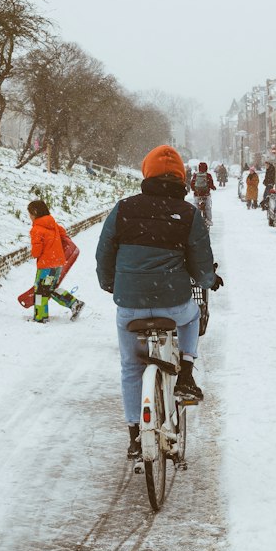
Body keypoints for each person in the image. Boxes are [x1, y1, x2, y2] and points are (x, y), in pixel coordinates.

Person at [96, 144, 222, 459]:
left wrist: (111, 284)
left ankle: (135, 435)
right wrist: (209, 280)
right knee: (192, 316)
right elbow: (201, 262)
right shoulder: (188, 214)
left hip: (130, 305)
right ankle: (186, 374)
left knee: (130, 366)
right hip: (174, 303)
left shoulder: (123, 209)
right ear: (182, 178)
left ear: (146, 174)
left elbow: (104, 253)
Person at [28, 198, 85, 323]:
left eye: (30, 214)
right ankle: (75, 303)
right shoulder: (52, 224)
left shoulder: (36, 229)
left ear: (35, 213)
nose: (30, 217)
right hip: (57, 264)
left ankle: (40, 317)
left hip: (45, 267)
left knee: (40, 292)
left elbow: (36, 251)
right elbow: (63, 233)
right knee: (50, 289)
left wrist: (33, 252)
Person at [190, 161, 217, 226]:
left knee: (196, 208)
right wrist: (213, 188)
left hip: (197, 195)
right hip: (206, 195)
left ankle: (195, 221)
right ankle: (209, 220)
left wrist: (195, 190)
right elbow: (211, 184)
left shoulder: (195, 175)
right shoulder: (208, 175)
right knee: (208, 208)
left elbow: (192, 185)